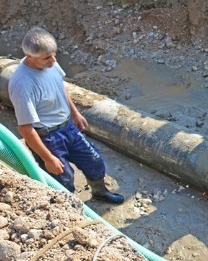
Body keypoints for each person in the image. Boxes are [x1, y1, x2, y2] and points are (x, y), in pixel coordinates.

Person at [8, 27, 124, 204]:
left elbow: (60, 87)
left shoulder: (49, 63)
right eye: (47, 58)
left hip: (68, 127)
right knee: (63, 179)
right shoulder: (22, 84)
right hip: (48, 136)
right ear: (30, 56)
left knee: (94, 160)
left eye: (54, 54)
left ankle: (100, 192)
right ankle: (71, 209)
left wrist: (75, 113)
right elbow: (25, 128)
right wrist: (48, 158)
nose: (53, 60)